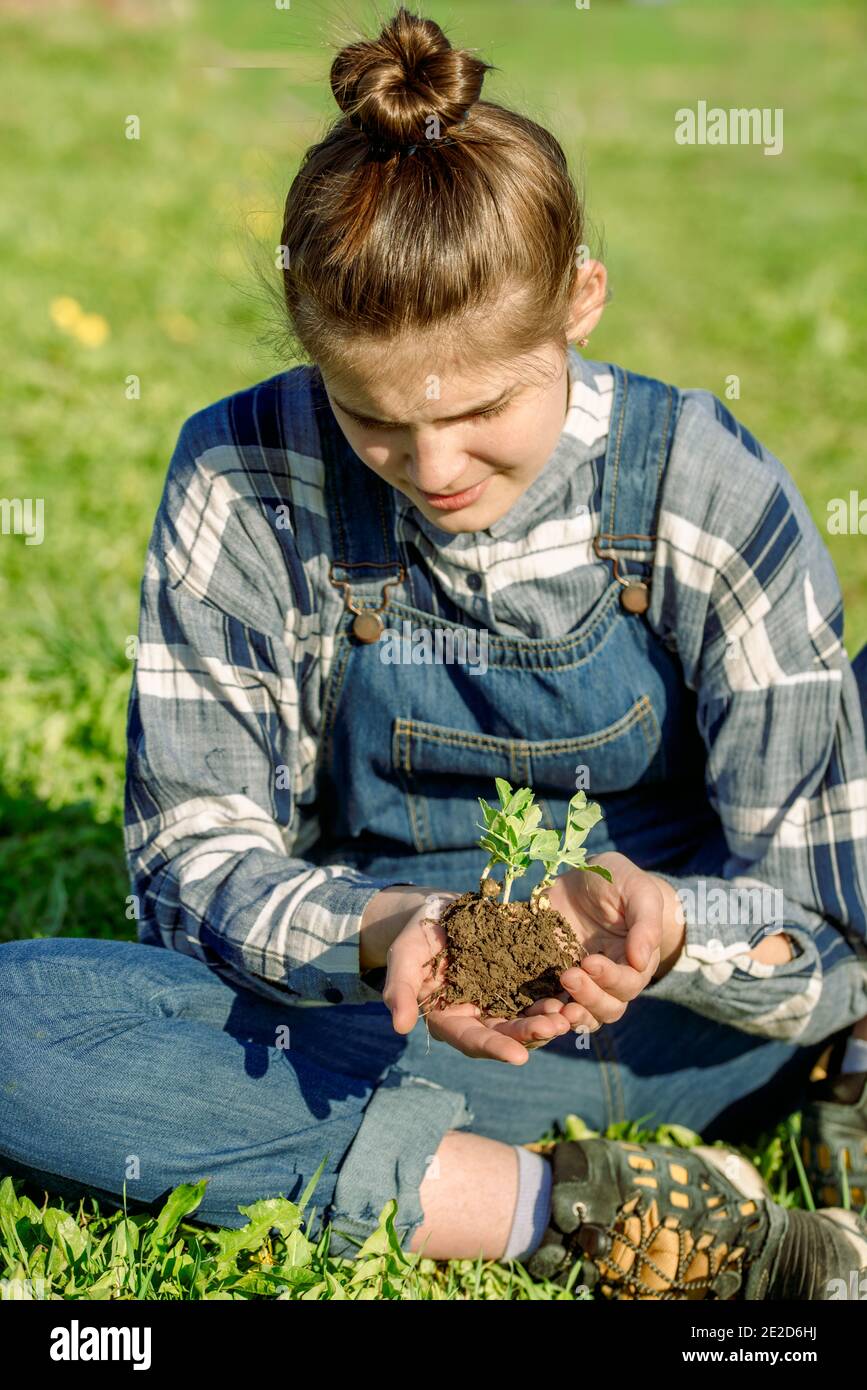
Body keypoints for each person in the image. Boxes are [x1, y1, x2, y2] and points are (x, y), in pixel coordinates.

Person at [2, 6, 867, 1300]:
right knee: (23, 1023)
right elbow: (190, 866)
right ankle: (564, 1210)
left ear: (581, 299)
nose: (435, 468)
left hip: (702, 1013)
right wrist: (390, 927)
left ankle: (842, 1086)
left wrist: (676, 926)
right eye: (373, 418)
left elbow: (827, 911)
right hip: (410, 1031)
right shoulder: (246, 476)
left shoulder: (700, 485)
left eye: (480, 408)